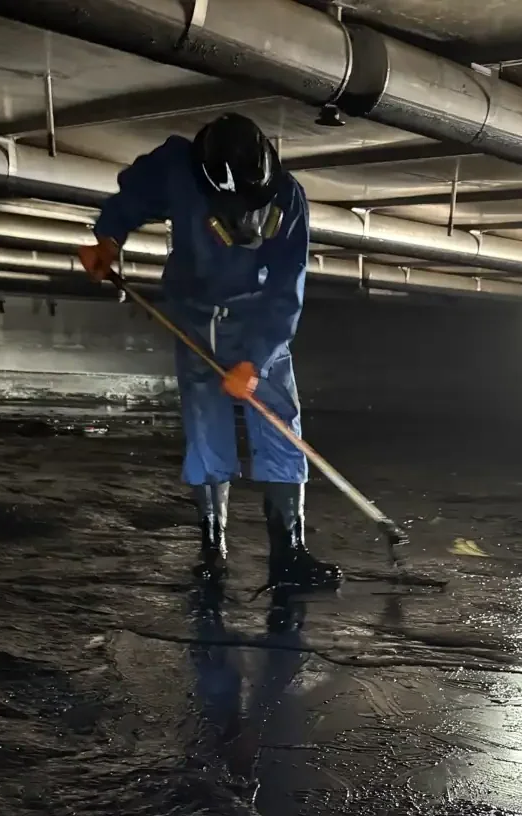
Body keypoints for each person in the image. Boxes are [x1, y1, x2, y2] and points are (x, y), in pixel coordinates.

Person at [80, 114, 340, 590]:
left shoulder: (288, 196)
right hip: (196, 316)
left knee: (279, 420)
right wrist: (108, 237)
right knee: (206, 425)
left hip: (258, 318)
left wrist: (255, 360)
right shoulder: (178, 167)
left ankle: (289, 553)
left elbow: (287, 288)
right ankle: (213, 551)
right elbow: (134, 194)